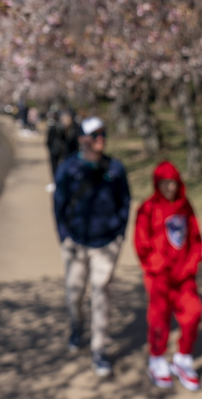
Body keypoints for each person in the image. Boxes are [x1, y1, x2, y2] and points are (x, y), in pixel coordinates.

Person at [52, 116, 131, 377]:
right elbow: (59, 204)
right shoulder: (68, 168)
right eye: (95, 135)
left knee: (101, 293)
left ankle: (99, 349)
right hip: (75, 242)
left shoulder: (115, 169)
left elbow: (125, 202)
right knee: (74, 293)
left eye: (103, 134)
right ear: (82, 139)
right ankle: (77, 327)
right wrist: (64, 236)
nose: (101, 139)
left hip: (106, 243)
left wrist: (118, 234)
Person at [134, 160, 202, 391]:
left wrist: (190, 265)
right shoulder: (147, 208)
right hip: (159, 277)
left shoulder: (185, 206)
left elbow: (195, 238)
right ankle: (157, 358)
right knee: (159, 319)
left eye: (173, 182)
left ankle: (183, 357)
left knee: (193, 312)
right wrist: (158, 267)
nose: (170, 188)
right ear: (157, 184)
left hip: (184, 276)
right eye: (165, 183)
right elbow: (141, 243)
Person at [45, 108, 79, 181]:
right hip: (55, 151)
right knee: (55, 168)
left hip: (68, 152)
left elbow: (75, 143)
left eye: (68, 119)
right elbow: (49, 141)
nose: (66, 122)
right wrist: (51, 150)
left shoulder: (74, 129)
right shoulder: (54, 128)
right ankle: (55, 181)